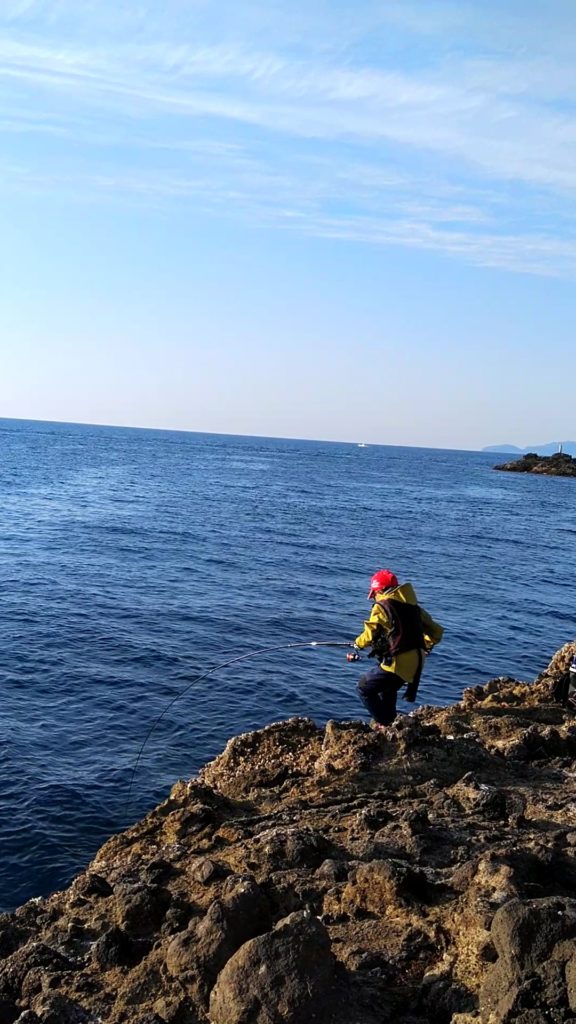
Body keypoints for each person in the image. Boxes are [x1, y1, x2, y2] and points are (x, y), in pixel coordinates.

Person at [348, 568, 443, 729]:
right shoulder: (414, 608)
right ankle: (390, 721)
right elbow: (437, 632)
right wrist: (425, 646)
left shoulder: (382, 606)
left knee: (364, 688)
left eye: (375, 593)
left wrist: (357, 644)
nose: (374, 597)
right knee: (388, 688)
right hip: (417, 662)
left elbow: (370, 633)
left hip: (399, 662)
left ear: (379, 590)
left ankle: (385, 723)